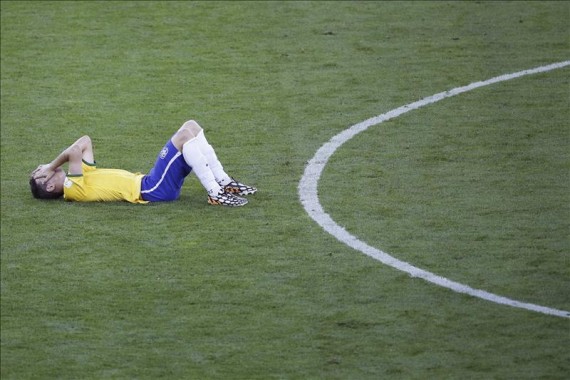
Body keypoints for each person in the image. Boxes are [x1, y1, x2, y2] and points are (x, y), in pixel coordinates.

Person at [29, 119, 257, 206]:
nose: (49, 169)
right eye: (44, 174)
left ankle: (223, 182)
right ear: (50, 187)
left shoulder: (79, 178)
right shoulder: (71, 190)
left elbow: (85, 141)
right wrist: (50, 165)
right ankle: (215, 193)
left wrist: (50, 168)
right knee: (184, 136)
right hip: (151, 189)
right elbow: (74, 152)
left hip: (151, 183)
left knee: (191, 127)